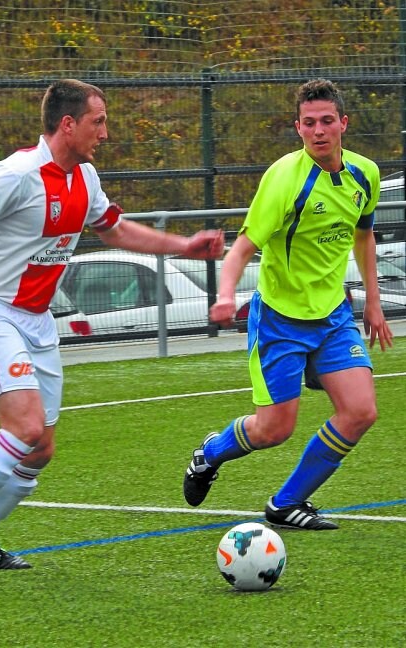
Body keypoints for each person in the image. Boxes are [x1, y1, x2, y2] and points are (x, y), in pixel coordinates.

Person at [0, 78, 225, 590]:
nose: (104, 133)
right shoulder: (16, 174)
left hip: (37, 320)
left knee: (40, 448)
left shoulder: (84, 176)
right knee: (25, 428)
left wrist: (184, 245)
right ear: (68, 123)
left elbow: (115, 230)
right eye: (98, 121)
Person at [183, 78, 393, 530]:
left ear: (343, 124)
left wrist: (373, 303)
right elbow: (241, 248)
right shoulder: (283, 179)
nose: (319, 131)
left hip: (334, 316)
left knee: (361, 412)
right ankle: (210, 453)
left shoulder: (365, 174)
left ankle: (285, 503)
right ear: (297, 128)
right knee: (273, 430)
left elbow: (364, 235)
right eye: (309, 123)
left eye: (327, 121)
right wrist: (223, 296)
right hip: (280, 319)